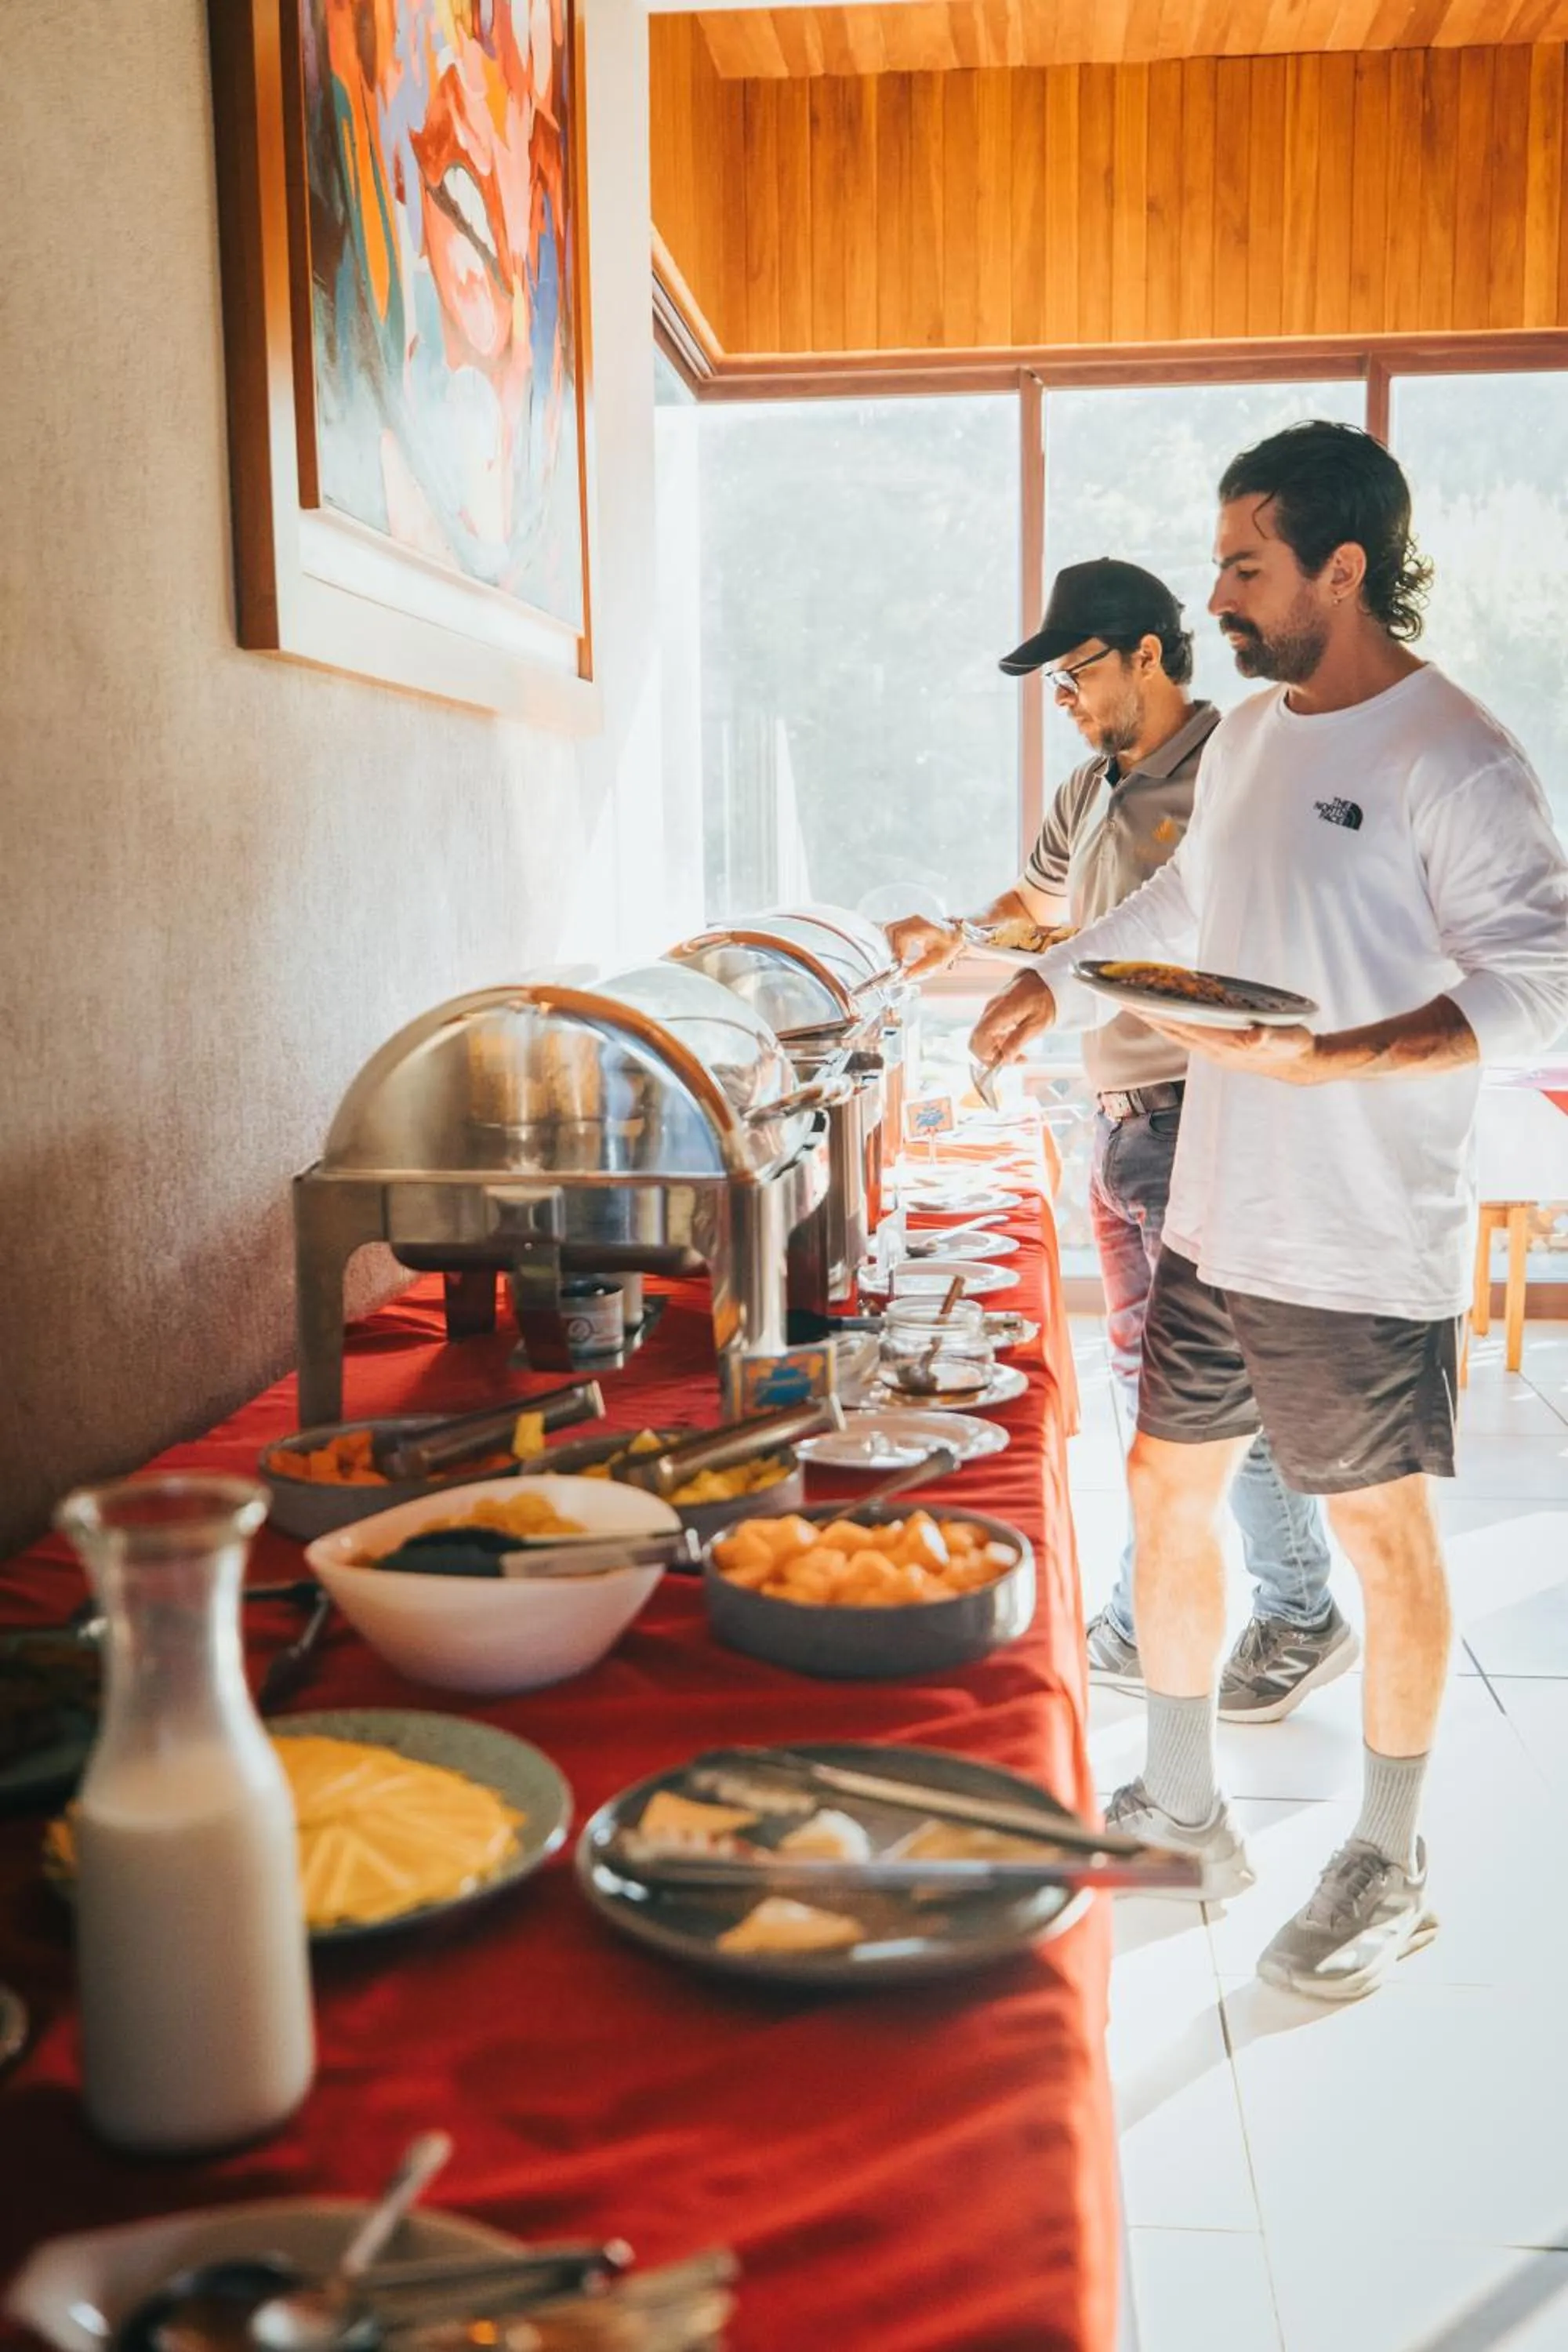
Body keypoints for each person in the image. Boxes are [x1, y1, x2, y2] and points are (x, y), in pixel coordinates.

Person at [975, 421, 1568, 1999]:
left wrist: (1357, 1053)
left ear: (1342, 567)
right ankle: (1182, 1810)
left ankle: (1390, 1852)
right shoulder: (1245, 740)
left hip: (1362, 1232)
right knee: (1166, 1495)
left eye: (1245, 562)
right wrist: (1049, 978)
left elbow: (1545, 977)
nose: (1218, 590)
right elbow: (1182, 907)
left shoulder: (1453, 754)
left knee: (1381, 1540)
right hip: (1218, 1209)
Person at [888, 558, 1344, 1724]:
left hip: (1207, 1117)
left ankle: (1298, 1615)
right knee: (1155, 1387)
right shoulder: (1090, 791)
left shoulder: (1235, 769)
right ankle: (1150, 1621)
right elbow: (1036, 913)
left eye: (1076, 670)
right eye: (1050, 680)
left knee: (1208, 1387)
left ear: (1149, 652)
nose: (1062, 696)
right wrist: (948, 936)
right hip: (1121, 1125)